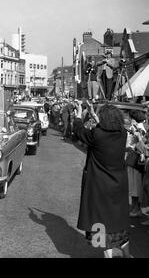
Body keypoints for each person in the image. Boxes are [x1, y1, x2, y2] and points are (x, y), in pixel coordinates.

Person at [73, 102, 130, 258]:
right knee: (118, 226)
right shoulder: (122, 132)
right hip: (118, 186)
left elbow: (79, 131)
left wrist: (79, 114)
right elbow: (106, 127)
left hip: (100, 187)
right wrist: (94, 115)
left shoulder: (97, 135)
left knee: (101, 227)